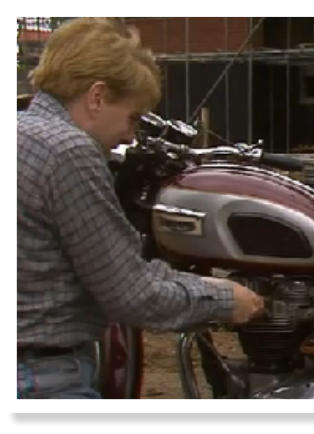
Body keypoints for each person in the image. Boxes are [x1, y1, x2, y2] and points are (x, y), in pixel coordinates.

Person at [17, 17, 264, 399]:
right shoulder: (68, 152)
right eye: (132, 117)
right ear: (97, 97)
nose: (130, 134)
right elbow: (130, 295)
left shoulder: (19, 131)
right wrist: (225, 299)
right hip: (43, 378)